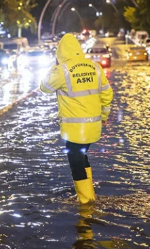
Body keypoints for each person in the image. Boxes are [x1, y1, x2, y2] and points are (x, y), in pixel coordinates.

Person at [40, 34, 113, 204]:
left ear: (60, 52)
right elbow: (107, 93)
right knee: (82, 156)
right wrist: (104, 116)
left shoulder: (62, 70)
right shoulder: (94, 67)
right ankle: (89, 194)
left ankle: (86, 202)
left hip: (74, 130)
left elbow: (44, 87)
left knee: (75, 161)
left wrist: (54, 66)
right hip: (94, 127)